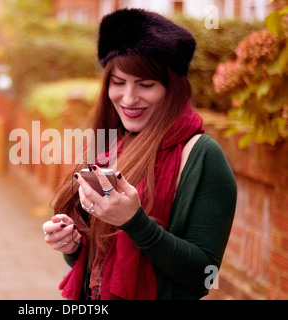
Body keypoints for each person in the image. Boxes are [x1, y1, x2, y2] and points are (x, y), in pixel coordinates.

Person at [42, 8, 237, 300]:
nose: (129, 98)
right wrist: (71, 244)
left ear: (172, 89)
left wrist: (134, 221)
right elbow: (94, 259)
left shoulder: (201, 155)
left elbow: (203, 276)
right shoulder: (104, 147)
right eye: (118, 83)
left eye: (146, 85)